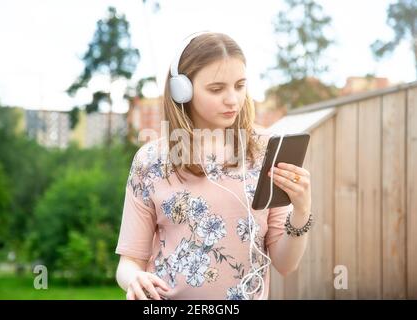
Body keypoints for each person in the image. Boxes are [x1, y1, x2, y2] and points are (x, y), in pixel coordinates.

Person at [115, 32, 312, 300]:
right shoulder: (150, 161)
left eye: (240, 86)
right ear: (182, 90)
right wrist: (133, 279)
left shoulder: (266, 150)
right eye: (217, 89)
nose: (233, 99)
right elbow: (128, 263)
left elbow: (286, 264)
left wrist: (301, 211)